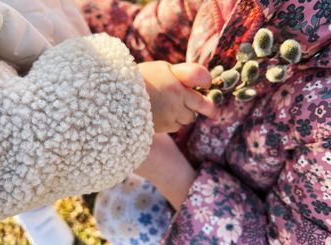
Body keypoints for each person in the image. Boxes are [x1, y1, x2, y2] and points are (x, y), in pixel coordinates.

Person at [82, 0, 331, 244]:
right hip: (182, 146)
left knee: (126, 217)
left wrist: (165, 168)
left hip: (217, 209)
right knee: (117, 206)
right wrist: (72, 27)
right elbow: (151, 34)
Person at [0, 0, 215, 226]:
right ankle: (41, 225)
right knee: (25, 184)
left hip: (45, 29)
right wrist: (119, 102)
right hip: (47, 112)